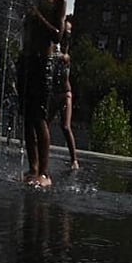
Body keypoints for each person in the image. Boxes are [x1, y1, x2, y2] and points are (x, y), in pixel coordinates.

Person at [21, 0, 71, 187]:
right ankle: (32, 168)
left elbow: (57, 34)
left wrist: (37, 17)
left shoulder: (59, 2)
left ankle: (44, 172)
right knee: (27, 116)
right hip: (28, 59)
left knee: (39, 117)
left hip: (44, 62)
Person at [53, 17, 79, 170]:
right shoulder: (56, 48)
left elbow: (63, 57)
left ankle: (74, 160)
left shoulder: (65, 55)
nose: (66, 35)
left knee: (65, 126)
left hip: (65, 94)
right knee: (44, 124)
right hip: (54, 93)